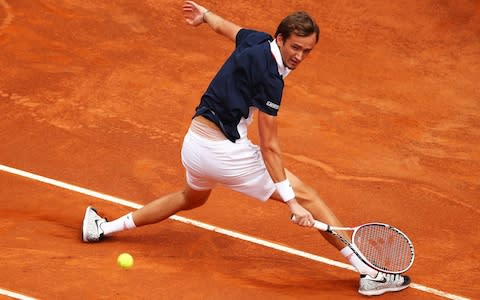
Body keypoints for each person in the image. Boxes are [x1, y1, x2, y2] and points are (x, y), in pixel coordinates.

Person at [82, 1, 410, 296]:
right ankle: (370, 273)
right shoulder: (271, 79)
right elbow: (269, 146)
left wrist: (205, 16)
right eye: (295, 47)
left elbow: (230, 29)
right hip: (225, 154)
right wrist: (293, 202)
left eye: (307, 51)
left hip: (194, 144)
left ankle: (102, 228)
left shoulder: (256, 40)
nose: (299, 56)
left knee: (190, 198)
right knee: (308, 196)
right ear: (280, 39)